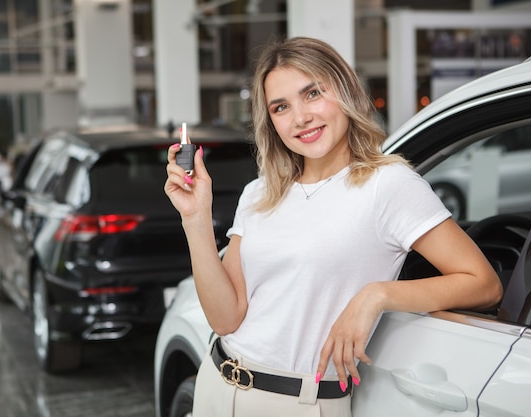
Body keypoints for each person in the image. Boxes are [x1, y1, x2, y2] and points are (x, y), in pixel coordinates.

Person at [164, 36, 503, 417]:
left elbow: (483, 284)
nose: (300, 117)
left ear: (344, 91)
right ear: (271, 121)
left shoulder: (388, 185)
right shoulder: (259, 192)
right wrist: (194, 219)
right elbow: (226, 318)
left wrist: (377, 295)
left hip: (300, 403)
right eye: (281, 107)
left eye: (312, 94)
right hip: (216, 382)